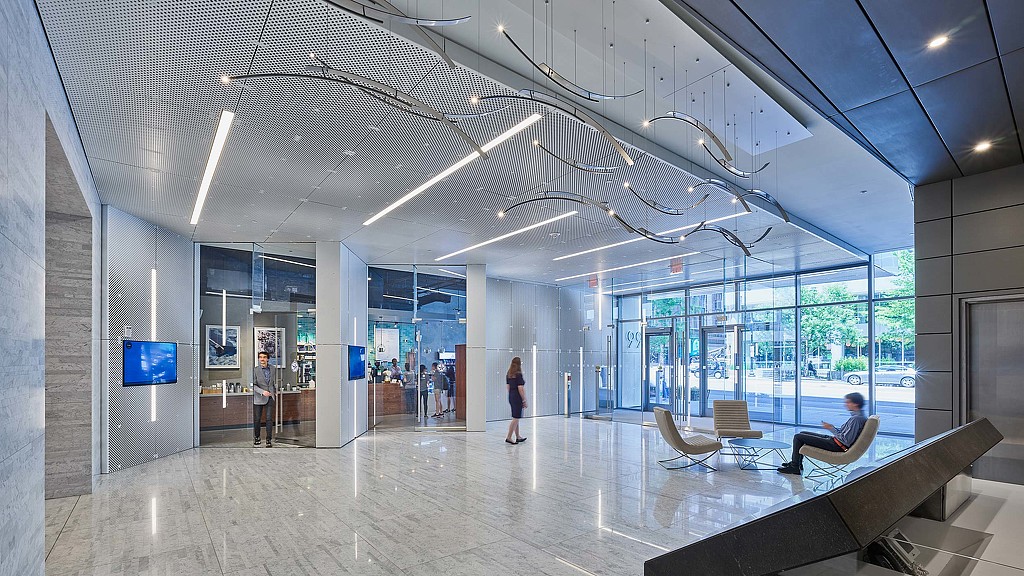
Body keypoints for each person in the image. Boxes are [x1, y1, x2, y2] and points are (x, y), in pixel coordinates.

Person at [778, 392, 867, 475]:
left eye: (848, 402)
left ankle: (794, 467)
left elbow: (846, 440)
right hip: (836, 441)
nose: (845, 404)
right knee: (802, 433)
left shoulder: (856, 419)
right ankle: (797, 463)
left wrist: (831, 428)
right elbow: (845, 435)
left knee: (798, 437)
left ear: (856, 404)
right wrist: (832, 428)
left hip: (836, 445)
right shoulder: (858, 417)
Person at [252, 351, 277, 447]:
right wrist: (262, 392)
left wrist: (275, 391)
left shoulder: (273, 368)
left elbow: (273, 382)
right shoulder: (255, 370)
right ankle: (257, 437)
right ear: (259, 359)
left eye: (264, 357)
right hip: (259, 397)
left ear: (267, 359)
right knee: (257, 419)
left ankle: (268, 439)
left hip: (270, 397)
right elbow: (253, 385)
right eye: (260, 357)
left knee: (269, 419)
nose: (262, 359)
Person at [505, 356, 527, 444]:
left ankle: (518, 436)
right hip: (517, 397)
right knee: (516, 418)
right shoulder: (518, 375)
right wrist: (524, 400)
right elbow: (520, 389)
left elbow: (508, 387)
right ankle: (509, 437)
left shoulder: (509, 374)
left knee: (516, 417)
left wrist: (512, 395)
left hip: (511, 396)